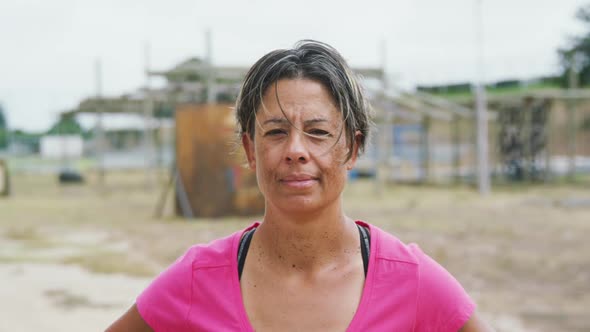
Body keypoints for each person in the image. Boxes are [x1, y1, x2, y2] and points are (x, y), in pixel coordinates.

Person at [107, 40, 492, 331]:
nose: (295, 151)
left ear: (353, 148)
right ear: (250, 149)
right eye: (275, 132)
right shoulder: (196, 280)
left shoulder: (414, 281)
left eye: (318, 132)